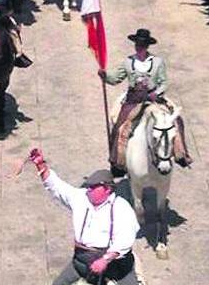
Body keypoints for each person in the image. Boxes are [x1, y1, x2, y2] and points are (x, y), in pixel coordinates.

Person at [28, 149, 140, 285]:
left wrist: (105, 259)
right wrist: (40, 165)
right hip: (82, 262)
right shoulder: (81, 197)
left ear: (107, 189)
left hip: (115, 266)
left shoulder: (121, 208)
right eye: (89, 186)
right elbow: (56, 187)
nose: (89, 190)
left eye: (94, 187)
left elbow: (125, 239)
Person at [98, 29, 168, 174]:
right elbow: (116, 78)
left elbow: (164, 82)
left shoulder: (158, 62)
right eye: (137, 44)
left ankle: (180, 154)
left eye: (142, 45)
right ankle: (118, 162)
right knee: (119, 126)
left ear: (147, 46)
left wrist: (156, 93)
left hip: (152, 98)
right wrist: (105, 75)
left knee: (173, 122)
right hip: (133, 99)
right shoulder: (128, 62)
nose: (139, 47)